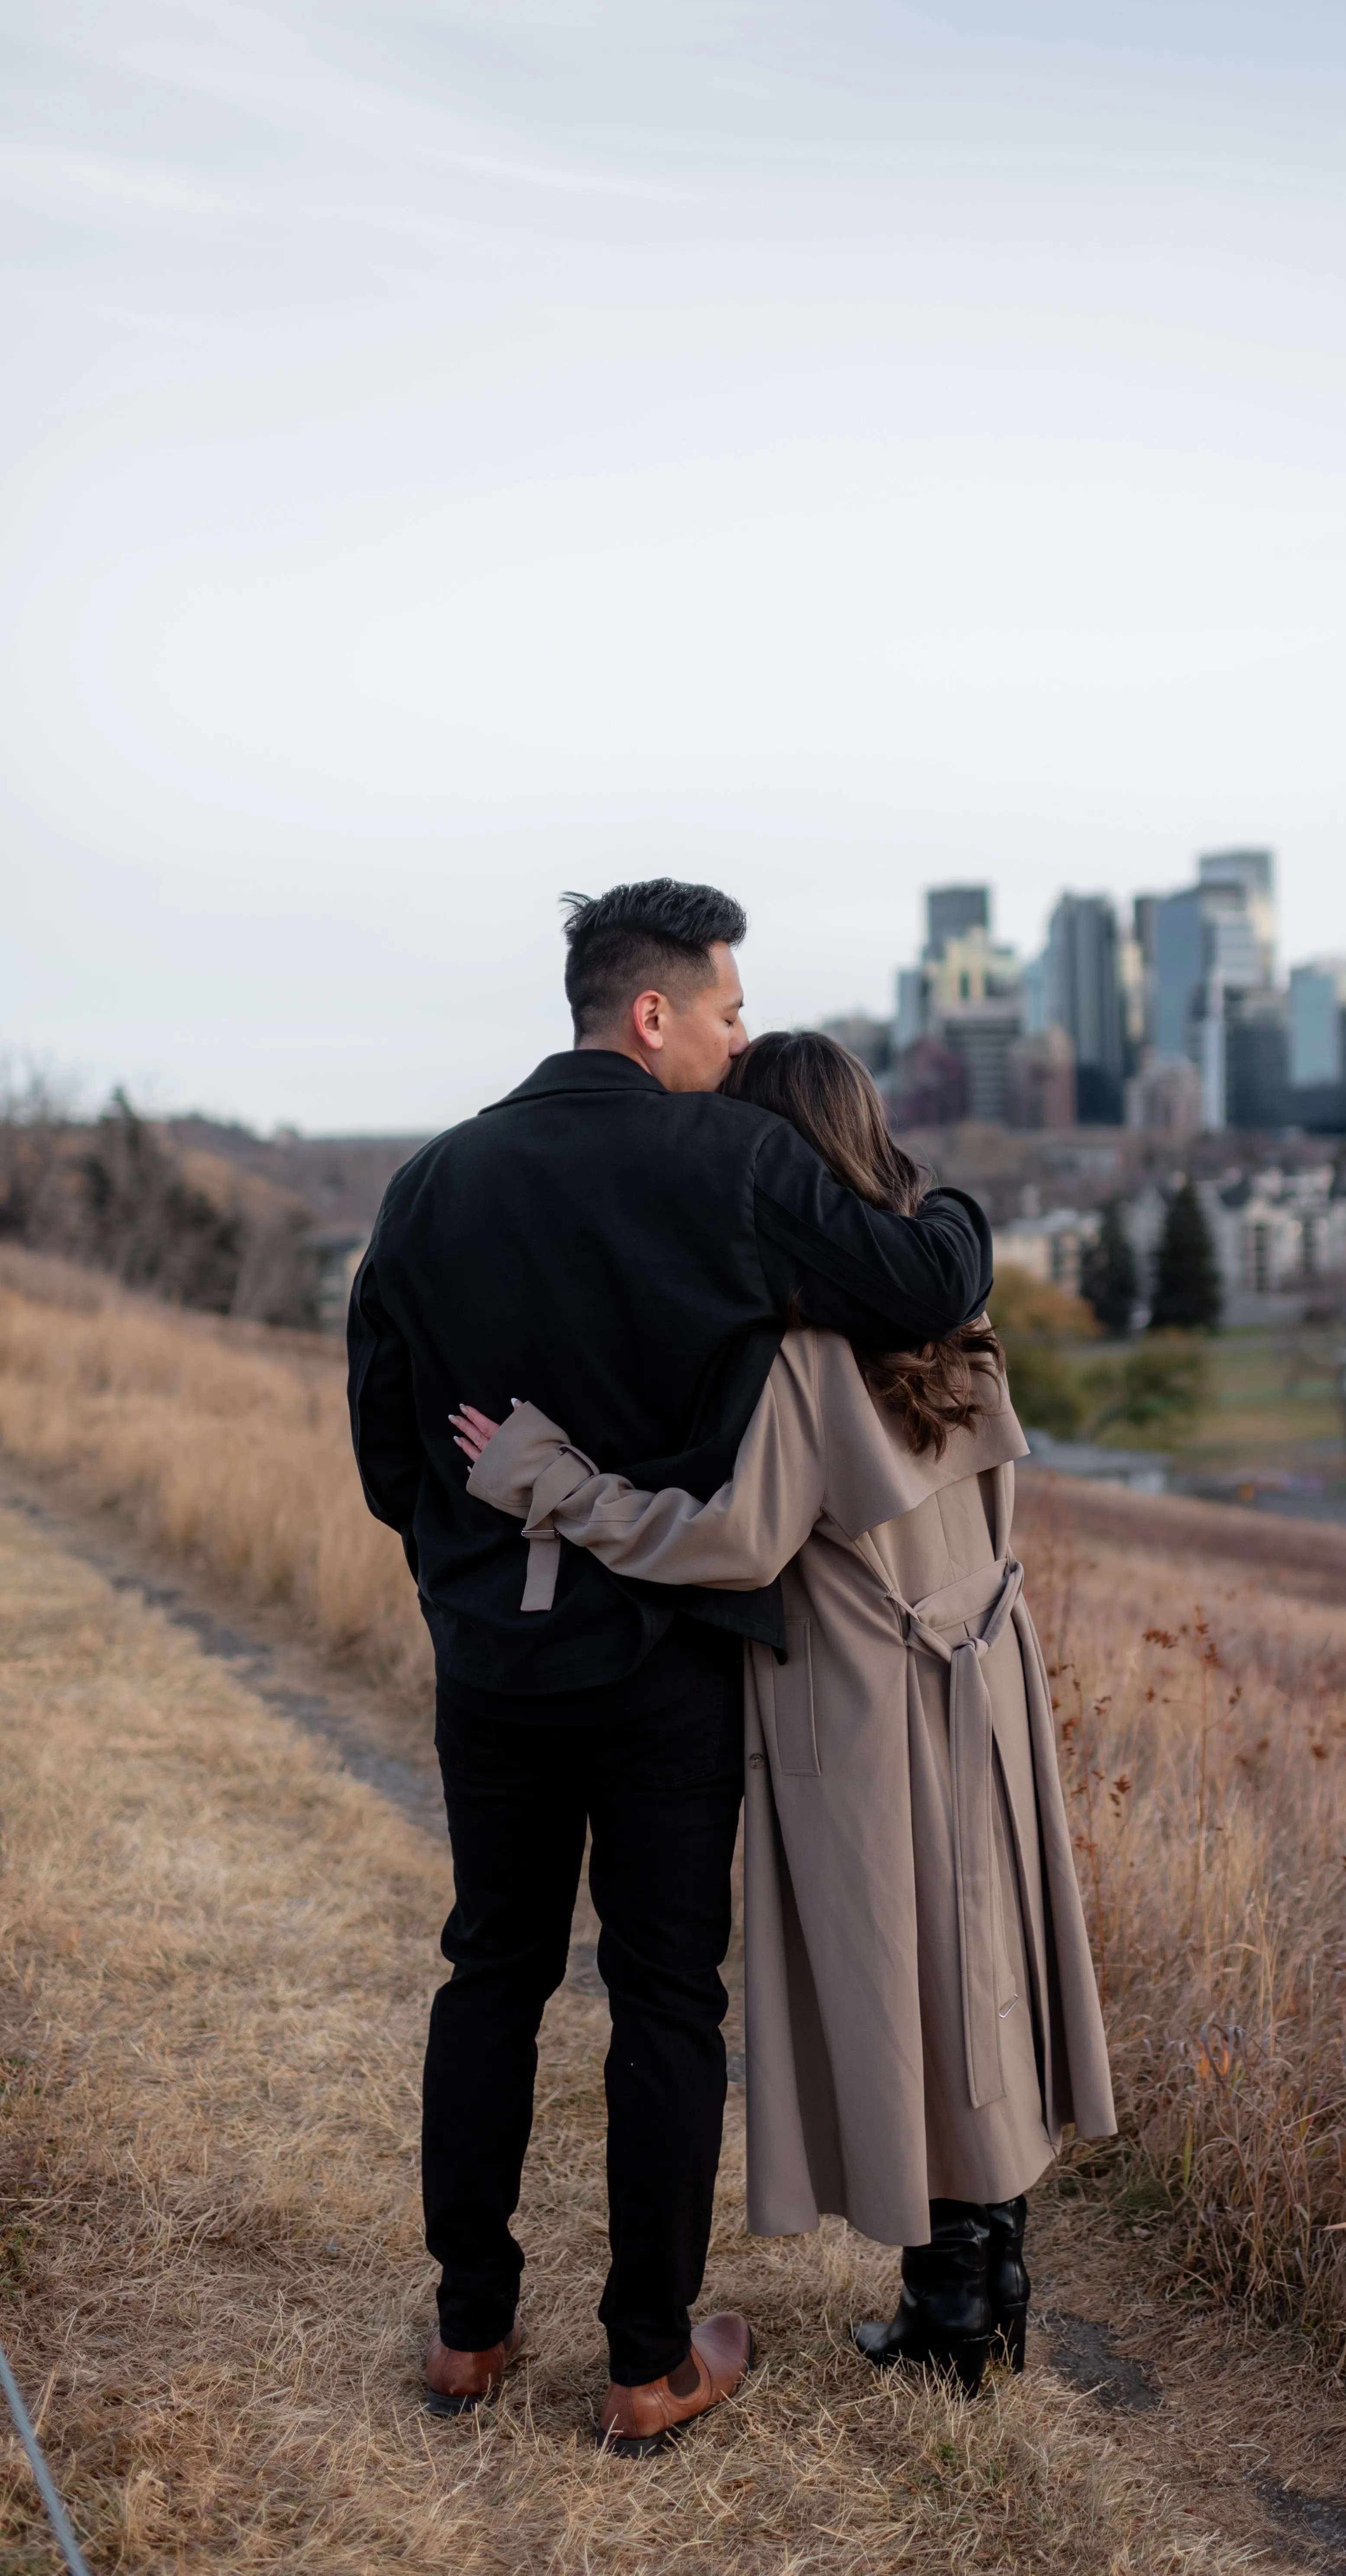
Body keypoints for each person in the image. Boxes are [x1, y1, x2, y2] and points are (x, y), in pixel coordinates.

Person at [347, 887, 992, 2453]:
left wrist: (470, 1575)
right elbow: (929, 1284)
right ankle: (647, 2362)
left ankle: (469, 2331)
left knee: (490, 1965)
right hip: (663, 1662)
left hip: (493, 1655)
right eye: (724, 1010)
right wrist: (957, 1207)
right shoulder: (739, 1163)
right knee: (661, 1999)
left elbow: (385, 1448)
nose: (738, 1034)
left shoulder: (431, 1183)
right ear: (653, 1015)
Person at [453, 1030, 1116, 2401]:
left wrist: (550, 1482)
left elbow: (731, 1544)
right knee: (978, 1970)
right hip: (986, 1675)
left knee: (904, 1988)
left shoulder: (808, 1353)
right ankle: (983, 2287)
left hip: (867, 1701)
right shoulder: (954, 1318)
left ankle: (950, 2310)